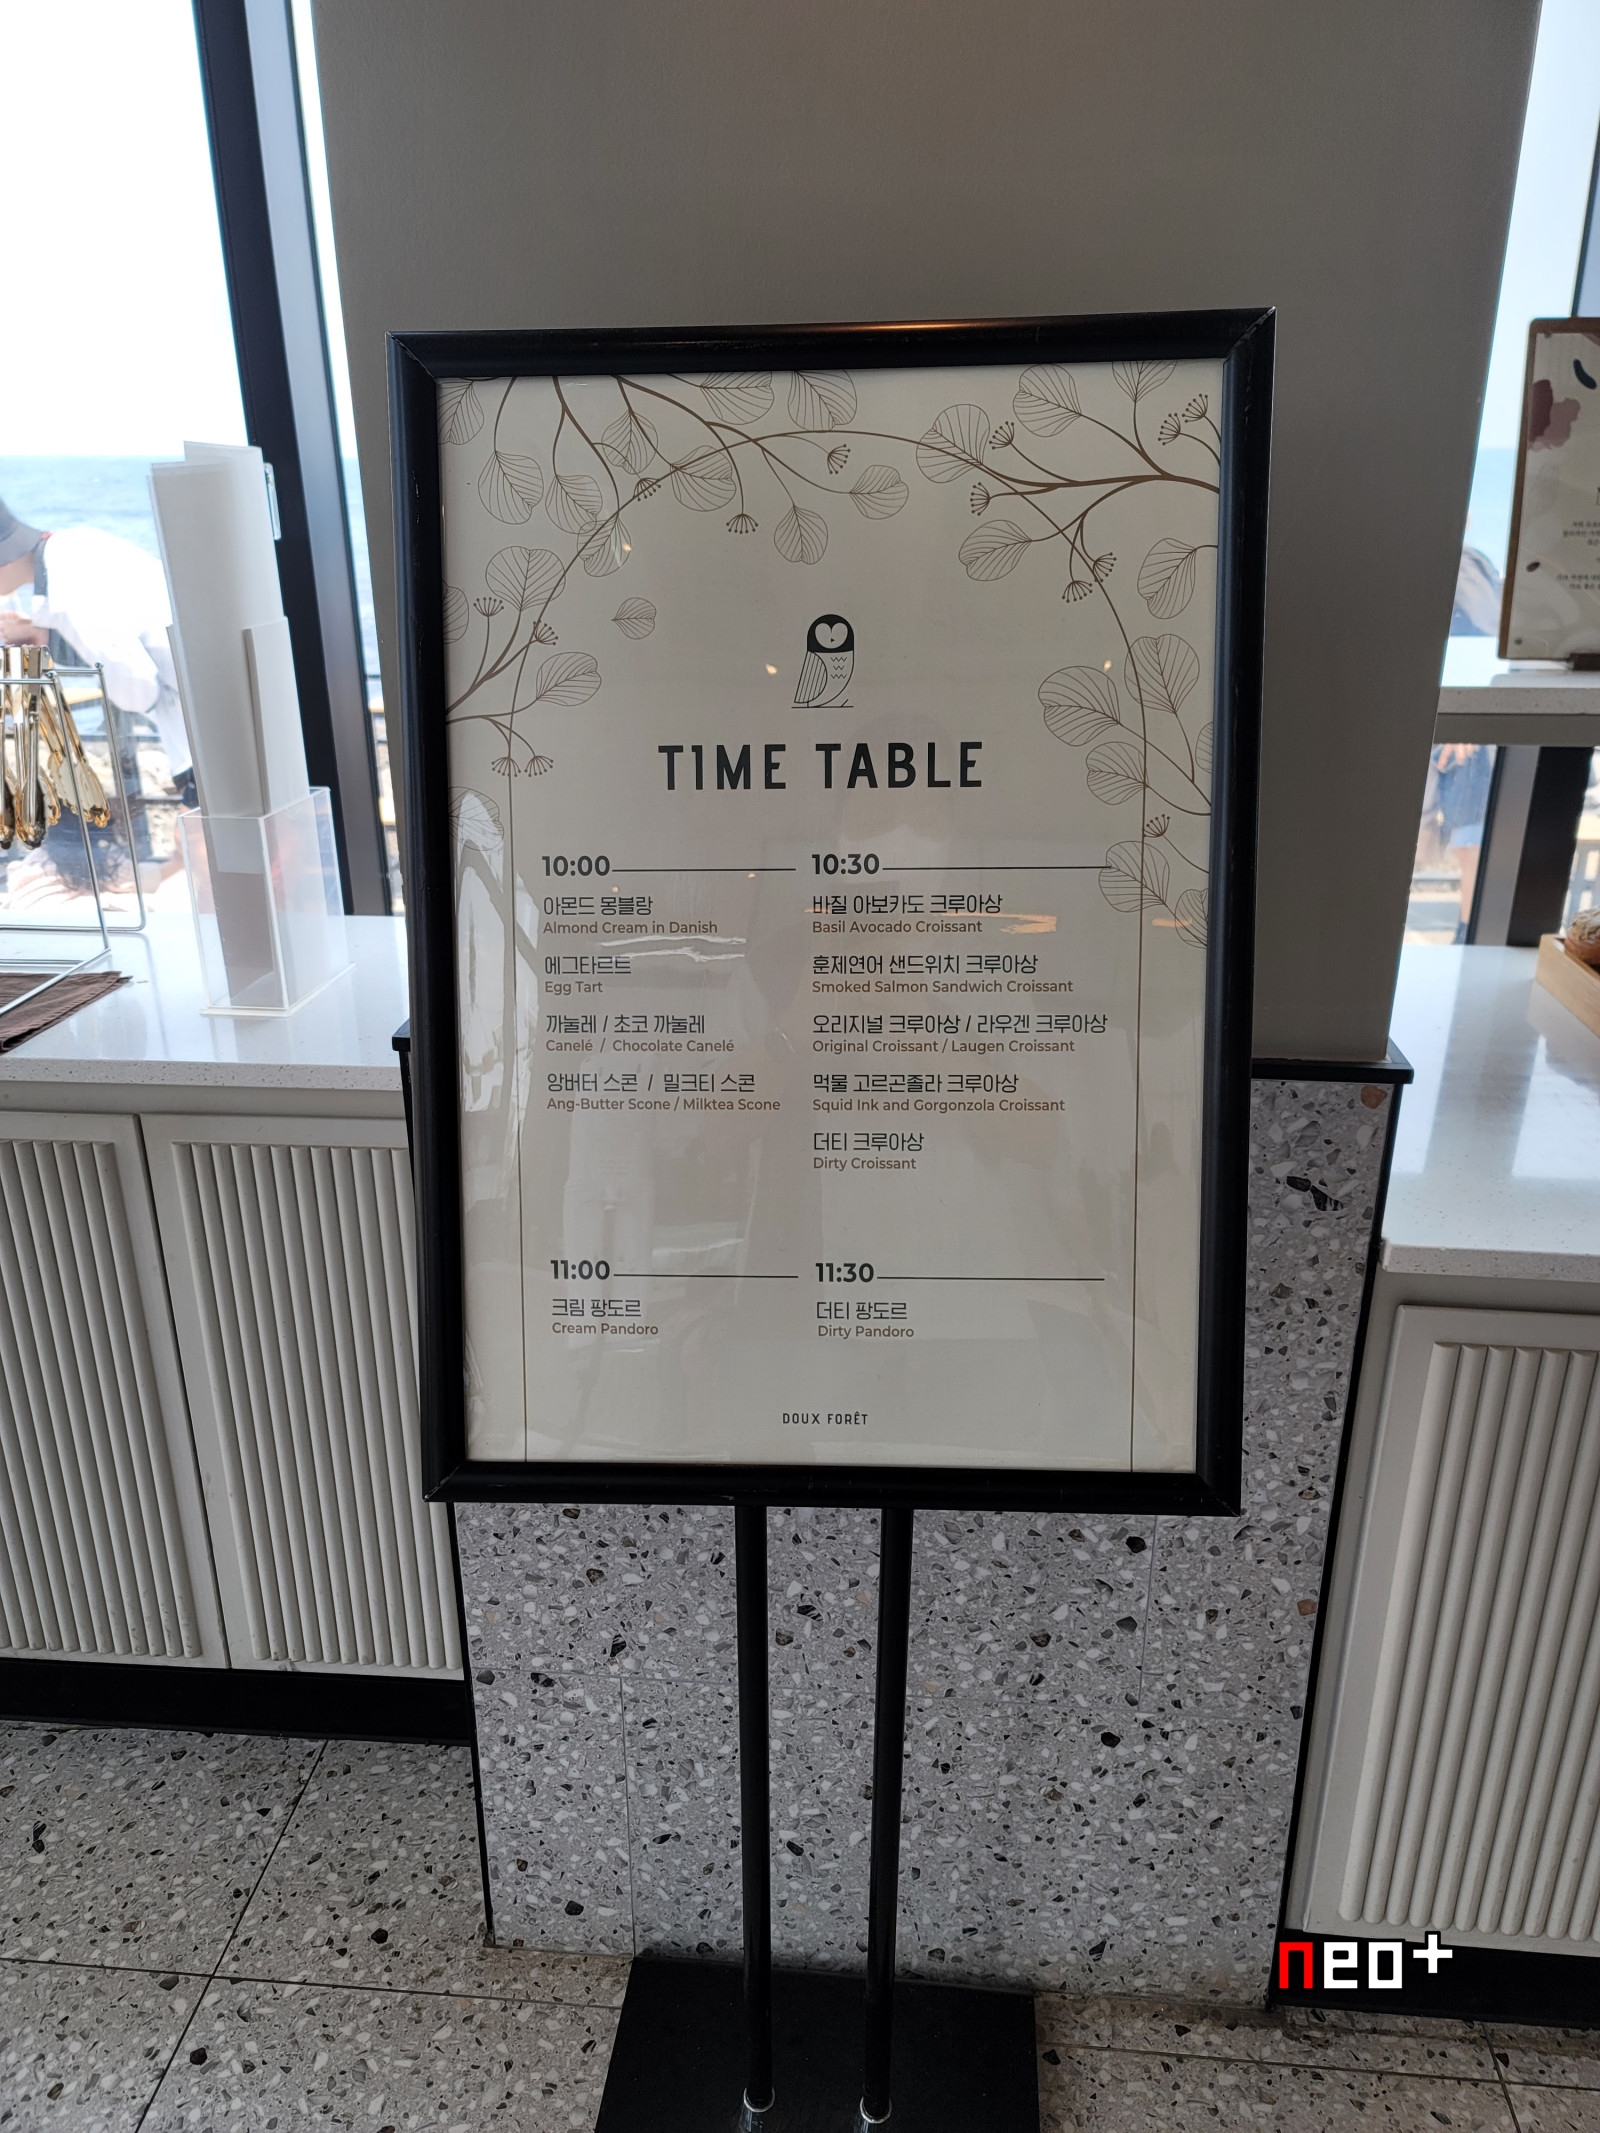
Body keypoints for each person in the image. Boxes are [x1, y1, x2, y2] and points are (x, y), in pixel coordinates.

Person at [0, 496, 195, 803]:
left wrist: (52, 636)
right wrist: (48, 636)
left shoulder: (66, 596)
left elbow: (138, 689)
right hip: (211, 704)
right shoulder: (77, 544)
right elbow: (132, 634)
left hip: (197, 735)